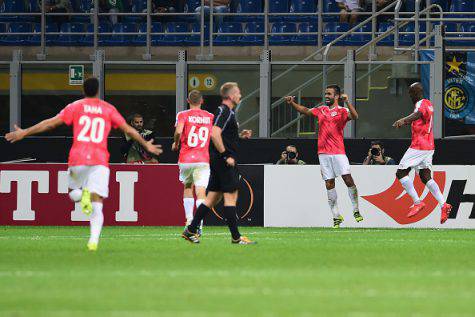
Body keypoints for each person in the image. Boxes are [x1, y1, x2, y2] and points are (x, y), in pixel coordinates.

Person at [4, 77, 163, 251]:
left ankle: (81, 195)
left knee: (73, 193)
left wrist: (24, 132)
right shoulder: (107, 109)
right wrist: (146, 143)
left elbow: (49, 124)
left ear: (83, 90)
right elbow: (128, 129)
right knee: (98, 202)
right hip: (100, 161)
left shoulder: (75, 106)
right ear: (97, 90)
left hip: (78, 159)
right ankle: (93, 240)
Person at [182, 82, 256, 245]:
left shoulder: (225, 112)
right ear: (230, 95)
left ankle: (191, 229)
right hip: (223, 161)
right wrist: (226, 155)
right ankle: (236, 237)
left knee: (211, 199)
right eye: (237, 92)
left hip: (216, 160)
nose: (240, 95)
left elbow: (221, 134)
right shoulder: (225, 111)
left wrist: (239, 135)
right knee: (231, 197)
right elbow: (214, 134)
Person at [285, 85, 363, 228]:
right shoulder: (321, 109)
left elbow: (355, 116)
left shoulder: (342, 110)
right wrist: (292, 103)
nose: (326, 96)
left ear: (337, 96)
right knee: (329, 183)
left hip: (338, 152)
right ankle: (336, 216)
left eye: (329, 94)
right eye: (325, 93)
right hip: (323, 153)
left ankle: (356, 210)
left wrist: (348, 102)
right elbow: (305, 111)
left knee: (347, 178)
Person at [393, 82, 452, 224]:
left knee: (401, 173)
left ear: (416, 93)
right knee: (425, 176)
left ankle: (417, 202)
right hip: (429, 146)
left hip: (419, 146)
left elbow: (418, 114)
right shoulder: (427, 104)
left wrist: (404, 120)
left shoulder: (422, 103)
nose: (410, 95)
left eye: (410, 93)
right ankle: (444, 204)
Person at [172, 90, 214, 235]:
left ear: (188, 101)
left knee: (188, 187)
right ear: (202, 101)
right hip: (202, 159)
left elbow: (178, 132)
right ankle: (199, 224)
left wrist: (176, 144)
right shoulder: (210, 117)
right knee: (201, 191)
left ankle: (189, 221)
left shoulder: (183, 115)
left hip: (186, 158)